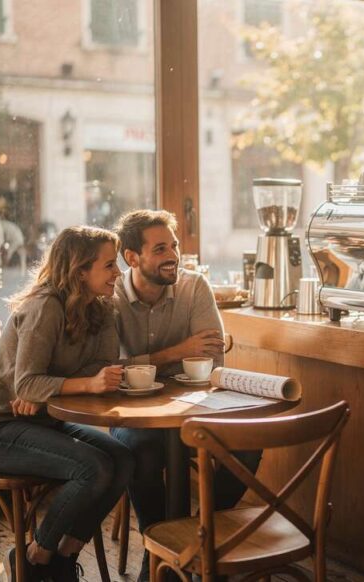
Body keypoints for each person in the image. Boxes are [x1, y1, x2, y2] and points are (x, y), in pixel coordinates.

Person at [0, 226, 134, 582]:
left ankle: (62, 557)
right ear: (80, 270)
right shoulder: (45, 306)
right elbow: (26, 383)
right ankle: (34, 556)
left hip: (41, 419)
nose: (118, 272)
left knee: (122, 457)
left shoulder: (102, 306)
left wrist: (51, 392)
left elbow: (102, 366)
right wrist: (82, 384)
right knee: (93, 468)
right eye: (109, 265)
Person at [109, 209, 258, 582]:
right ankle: (156, 549)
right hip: (132, 412)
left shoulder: (194, 287)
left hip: (193, 408)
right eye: (160, 249)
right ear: (132, 258)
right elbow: (107, 368)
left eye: (173, 245)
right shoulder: (109, 295)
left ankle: (192, 539)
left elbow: (211, 356)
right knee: (140, 450)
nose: (172, 255)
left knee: (248, 445)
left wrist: (144, 364)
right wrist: (177, 352)